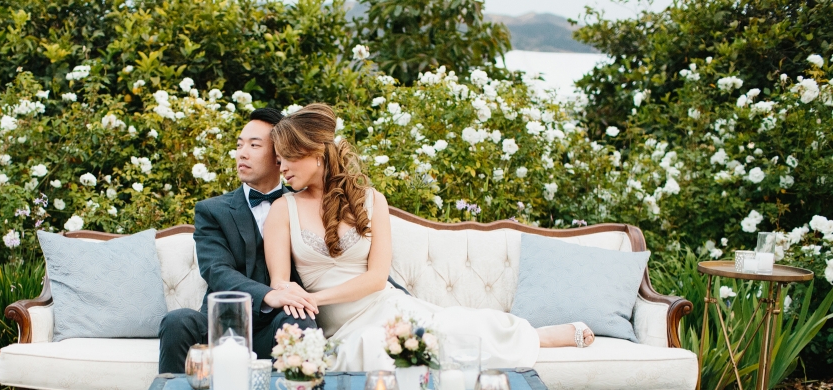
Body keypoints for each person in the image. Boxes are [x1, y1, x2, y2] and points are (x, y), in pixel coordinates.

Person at [262, 103, 594, 372]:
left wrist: (314, 299)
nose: (283, 169)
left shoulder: (370, 199)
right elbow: (280, 282)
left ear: (316, 152)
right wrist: (290, 292)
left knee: (450, 330)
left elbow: (378, 279)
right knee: (375, 347)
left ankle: (537, 336)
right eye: (278, 161)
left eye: (288, 158)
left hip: (384, 305)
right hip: (341, 326)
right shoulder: (283, 209)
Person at [158, 108, 319, 373]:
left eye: (254, 145)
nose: (241, 153)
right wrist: (269, 295)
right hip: (221, 326)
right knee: (177, 321)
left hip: (277, 325)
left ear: (280, 156)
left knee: (300, 321)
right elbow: (217, 271)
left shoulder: (303, 205)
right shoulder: (212, 210)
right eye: (239, 145)